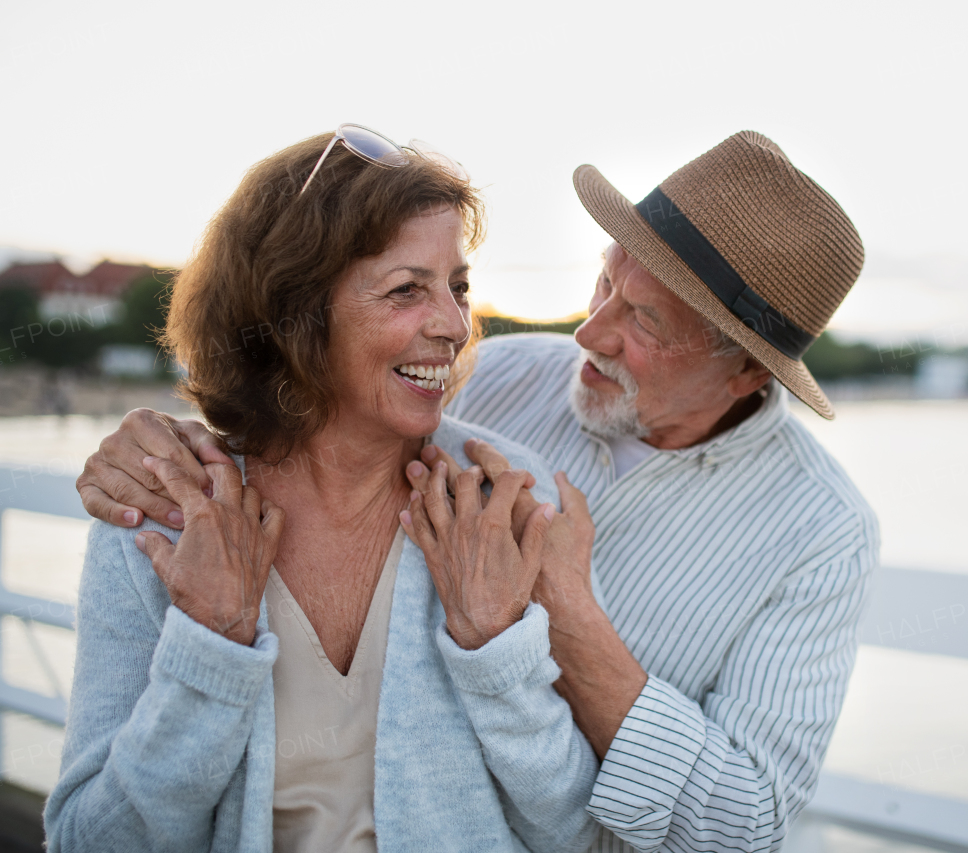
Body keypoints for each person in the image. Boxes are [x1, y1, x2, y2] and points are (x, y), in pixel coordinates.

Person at [76, 130, 879, 852]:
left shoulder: (820, 529)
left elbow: (739, 827)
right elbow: (323, 402)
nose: (588, 333)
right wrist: (151, 450)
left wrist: (552, 618)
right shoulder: (496, 380)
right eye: (604, 284)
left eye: (645, 320)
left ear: (745, 370)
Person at [46, 125, 599, 853]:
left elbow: (571, 829)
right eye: (408, 290)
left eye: (457, 287)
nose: (455, 326)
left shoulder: (501, 505)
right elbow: (89, 840)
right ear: (295, 315)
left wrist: (497, 650)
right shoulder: (159, 518)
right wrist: (209, 647)